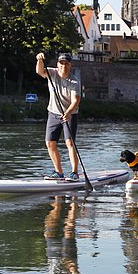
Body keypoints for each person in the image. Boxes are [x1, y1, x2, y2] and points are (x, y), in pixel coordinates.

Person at [36, 52, 81, 180]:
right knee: (50, 143)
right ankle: (59, 172)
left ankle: (74, 173)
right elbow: (39, 71)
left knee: (69, 143)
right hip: (53, 113)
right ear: (58, 64)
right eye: (61, 63)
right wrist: (39, 59)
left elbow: (76, 100)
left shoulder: (74, 82)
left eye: (66, 64)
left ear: (70, 65)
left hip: (70, 114)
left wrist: (68, 113)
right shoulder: (52, 73)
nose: (63, 66)